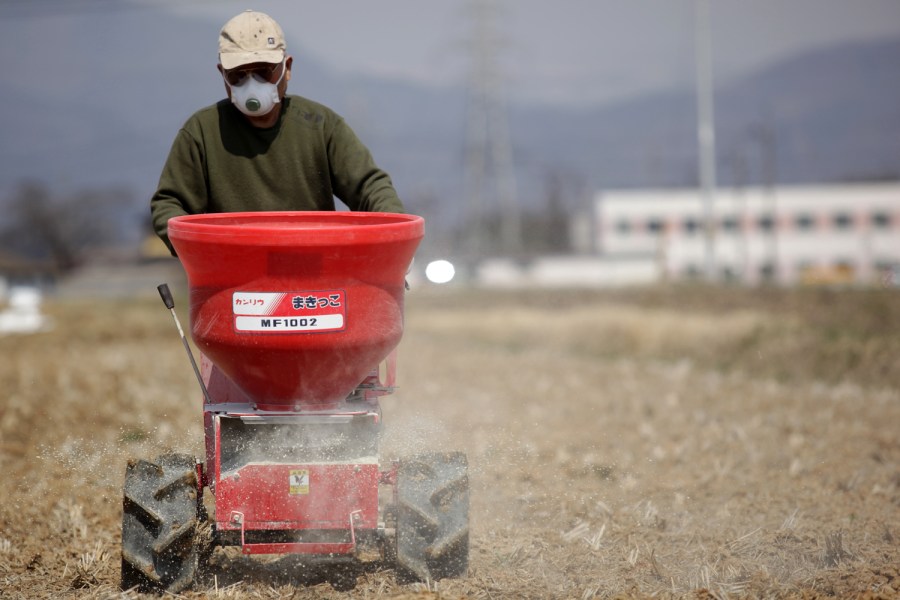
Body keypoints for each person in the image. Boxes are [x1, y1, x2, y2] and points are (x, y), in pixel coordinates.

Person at [150, 10, 405, 255]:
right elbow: (170, 205)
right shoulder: (202, 132)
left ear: (287, 68)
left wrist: (394, 243)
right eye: (238, 75)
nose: (251, 85)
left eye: (263, 72)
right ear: (222, 74)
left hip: (315, 274)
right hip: (233, 278)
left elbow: (370, 188)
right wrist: (202, 252)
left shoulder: (320, 125)